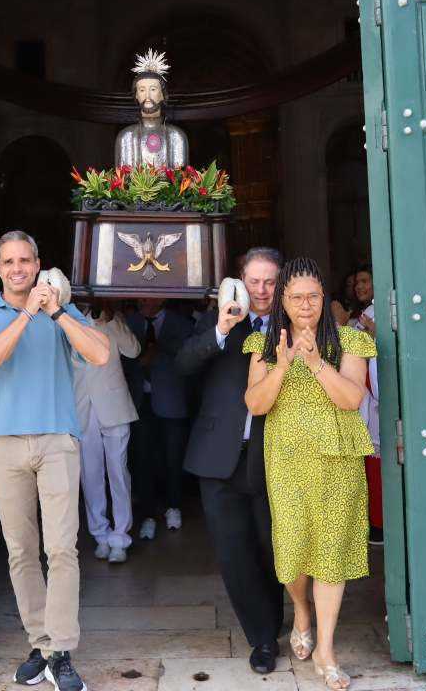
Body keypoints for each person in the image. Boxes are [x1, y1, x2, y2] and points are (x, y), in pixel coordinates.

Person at [0, 231, 110, 691]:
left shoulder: (59, 308)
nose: (17, 269)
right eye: (8, 261)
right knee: (21, 551)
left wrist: (58, 312)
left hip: (56, 440)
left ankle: (61, 651)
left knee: (62, 548)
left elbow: (100, 354)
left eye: (25, 260)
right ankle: (41, 641)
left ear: (38, 263)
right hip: (5, 443)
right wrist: (27, 314)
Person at [244, 257, 376, 691]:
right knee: (293, 551)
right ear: (282, 300)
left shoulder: (351, 340)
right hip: (287, 460)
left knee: (332, 553)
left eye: (313, 297)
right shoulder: (263, 345)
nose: (305, 306)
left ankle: (326, 649)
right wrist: (282, 365)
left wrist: (318, 363)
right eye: (296, 297)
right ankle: (301, 611)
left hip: (338, 458)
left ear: (325, 298)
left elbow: (351, 399)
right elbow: (256, 405)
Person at [176, 248, 286, 674]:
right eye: (254, 281)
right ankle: (261, 638)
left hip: (271, 457)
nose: (261, 291)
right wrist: (222, 327)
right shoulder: (217, 320)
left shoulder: (290, 325)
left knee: (271, 547)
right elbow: (182, 365)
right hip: (217, 458)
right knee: (234, 554)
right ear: (239, 280)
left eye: (270, 281)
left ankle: (275, 623)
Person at [72, 301, 141, 563]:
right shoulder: (65, 318)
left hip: (114, 406)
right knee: (90, 474)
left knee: (118, 472)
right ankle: (100, 534)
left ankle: (120, 536)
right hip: (81, 407)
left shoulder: (114, 318)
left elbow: (133, 351)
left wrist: (112, 319)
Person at [123, 299, 194, 538]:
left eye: (150, 296)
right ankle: (148, 516)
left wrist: (160, 348)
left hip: (171, 401)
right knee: (143, 460)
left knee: (173, 457)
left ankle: (173, 506)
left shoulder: (181, 324)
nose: (144, 301)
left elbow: (189, 361)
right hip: (139, 402)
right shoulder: (128, 322)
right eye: (140, 296)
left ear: (162, 297)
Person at [350, 265, 382, 545]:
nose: (359, 286)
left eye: (364, 280)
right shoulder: (362, 316)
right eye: (357, 282)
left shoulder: (377, 314)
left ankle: (380, 524)